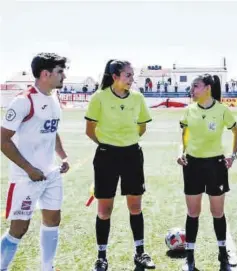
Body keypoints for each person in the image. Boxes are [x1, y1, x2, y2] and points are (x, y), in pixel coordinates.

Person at [1, 53, 70, 271]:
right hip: (26, 178)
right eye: (59, 72)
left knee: (53, 221)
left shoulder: (53, 98)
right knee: (18, 229)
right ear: (45, 74)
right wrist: (29, 169)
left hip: (51, 175)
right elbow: (3, 139)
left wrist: (63, 155)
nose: (64, 76)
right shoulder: (23, 101)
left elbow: (52, 130)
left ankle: (47, 267)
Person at [84, 59, 155, 271]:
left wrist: (126, 143)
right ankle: (102, 256)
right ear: (115, 76)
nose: (132, 80)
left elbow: (142, 128)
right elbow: (90, 130)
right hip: (107, 156)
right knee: (105, 210)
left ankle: (140, 253)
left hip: (132, 155)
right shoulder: (99, 98)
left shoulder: (138, 98)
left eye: (132, 75)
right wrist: (108, 145)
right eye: (128, 75)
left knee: (135, 207)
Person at [177, 74, 237, 271]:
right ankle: (190, 257)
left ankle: (223, 253)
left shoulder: (222, 110)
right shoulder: (189, 111)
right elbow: (184, 136)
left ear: (208, 88)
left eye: (196, 86)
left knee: (217, 212)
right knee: (193, 212)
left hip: (216, 165)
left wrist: (233, 155)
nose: (192, 90)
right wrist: (180, 152)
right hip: (193, 165)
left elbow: (236, 131)